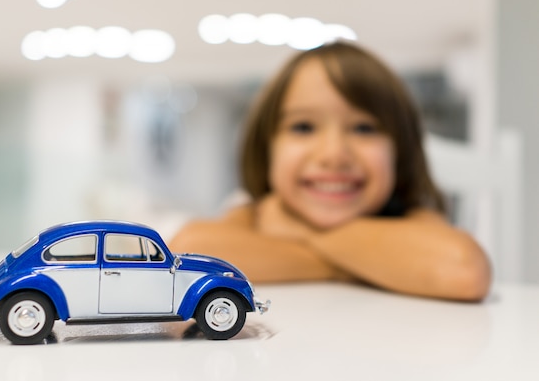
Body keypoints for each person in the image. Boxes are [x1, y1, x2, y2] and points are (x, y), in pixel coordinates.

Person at [169, 41, 491, 301]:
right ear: (267, 149)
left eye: (364, 128)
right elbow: (184, 257)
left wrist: (304, 235)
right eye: (304, 127)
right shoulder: (256, 212)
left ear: (401, 152)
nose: (334, 154)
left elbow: (464, 270)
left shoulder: (409, 214)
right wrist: (365, 262)